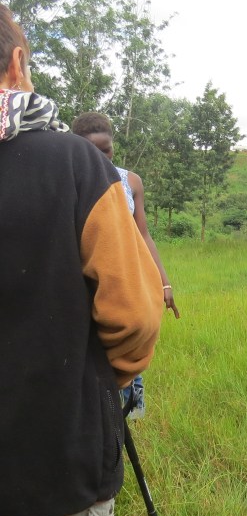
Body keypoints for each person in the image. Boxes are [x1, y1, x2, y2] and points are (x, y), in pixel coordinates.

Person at [0, 4, 164, 516]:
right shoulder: (76, 163)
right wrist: (103, 384)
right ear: (15, 64)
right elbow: (133, 314)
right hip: (54, 451)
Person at [71, 112, 179, 418]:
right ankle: (93, 415)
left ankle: (129, 414)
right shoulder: (68, 181)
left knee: (126, 344)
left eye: (106, 150)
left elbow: (143, 234)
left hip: (125, 280)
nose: (101, 158)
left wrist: (164, 282)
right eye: (92, 151)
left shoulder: (130, 181)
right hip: (85, 284)